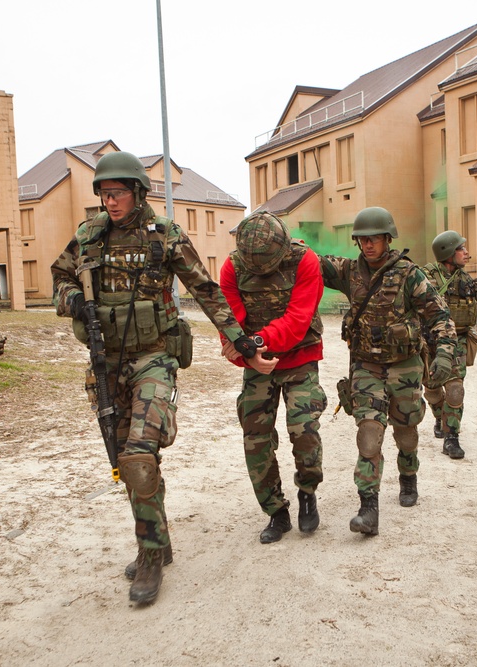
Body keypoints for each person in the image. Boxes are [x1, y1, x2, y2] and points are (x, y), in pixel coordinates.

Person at [51, 151, 270, 606]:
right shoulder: (88, 236)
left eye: (119, 193)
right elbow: (60, 275)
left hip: (154, 358)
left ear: (138, 191)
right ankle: (159, 537)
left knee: (139, 455)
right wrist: (72, 299)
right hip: (106, 364)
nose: (111, 202)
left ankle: (150, 555)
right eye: (105, 194)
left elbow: (205, 289)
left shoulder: (164, 236)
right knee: (126, 456)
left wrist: (240, 339)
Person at [319, 207, 456, 536]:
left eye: (375, 239)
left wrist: (444, 354)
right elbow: (313, 262)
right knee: (369, 432)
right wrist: (289, 244)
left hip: (405, 365)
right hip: (366, 365)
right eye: (363, 240)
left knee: (406, 431)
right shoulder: (349, 272)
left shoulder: (409, 274)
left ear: (388, 238)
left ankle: (408, 476)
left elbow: (439, 316)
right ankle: (368, 507)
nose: (368, 245)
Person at [219, 211, 326, 544]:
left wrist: (254, 343)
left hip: (300, 357)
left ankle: (307, 491)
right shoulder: (232, 267)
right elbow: (229, 322)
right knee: (256, 437)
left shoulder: (305, 261)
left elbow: (297, 319)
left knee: (303, 427)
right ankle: (276, 512)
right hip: (257, 363)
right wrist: (247, 354)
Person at [421, 231, 477, 459]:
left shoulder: (466, 279)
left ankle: (452, 438)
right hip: (430, 342)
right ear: (448, 253)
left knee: (455, 389)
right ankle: (439, 418)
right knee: (432, 389)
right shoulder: (426, 277)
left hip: (457, 341)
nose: (467, 253)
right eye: (462, 248)